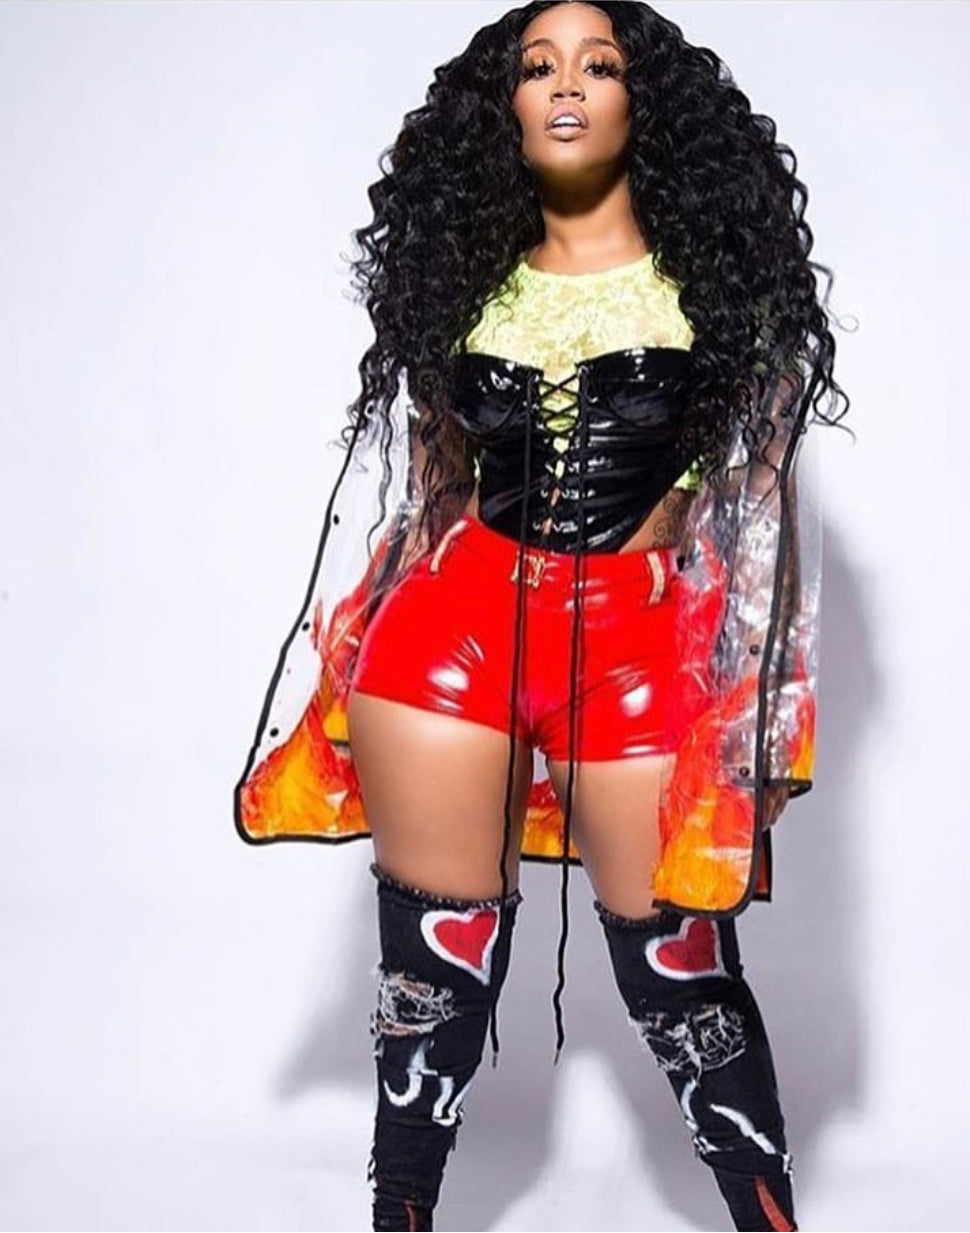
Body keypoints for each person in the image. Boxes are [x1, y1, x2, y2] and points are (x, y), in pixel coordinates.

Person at [233, 2, 852, 1229]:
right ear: (504, 107)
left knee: (680, 970)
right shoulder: (461, 287)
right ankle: (401, 1215)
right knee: (430, 975)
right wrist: (347, 652)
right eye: (538, 66)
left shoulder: (725, 293)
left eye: (599, 64)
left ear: (640, 102)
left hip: (639, 640)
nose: (567, 85)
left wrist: (765, 728)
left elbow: (767, 529)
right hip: (449, 636)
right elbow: (426, 489)